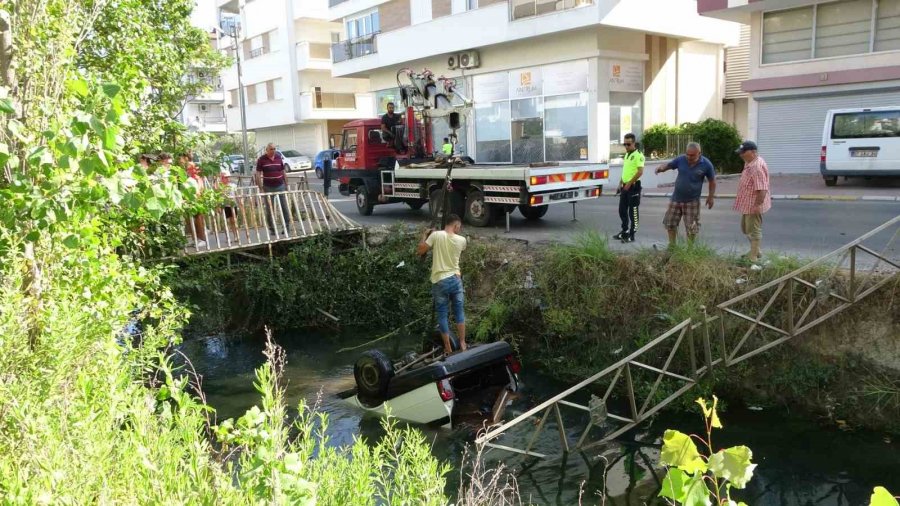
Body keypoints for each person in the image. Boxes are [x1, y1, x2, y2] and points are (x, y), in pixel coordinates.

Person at [416, 214, 468, 355]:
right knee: (459, 312)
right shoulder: (462, 240)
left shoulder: (436, 235)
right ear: (456, 225)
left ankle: (448, 347)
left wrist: (425, 236)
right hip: (456, 279)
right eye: (459, 227)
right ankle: (463, 342)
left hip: (440, 281)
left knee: (442, 315)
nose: (459, 229)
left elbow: (420, 250)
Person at [655, 142, 716, 248]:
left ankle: (690, 249)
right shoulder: (681, 159)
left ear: (699, 153)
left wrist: (710, 197)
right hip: (676, 199)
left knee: (691, 227)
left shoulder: (706, 164)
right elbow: (669, 165)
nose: (689, 157)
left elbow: (712, 181)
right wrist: (660, 168)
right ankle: (672, 246)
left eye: (692, 155)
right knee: (670, 223)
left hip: (692, 201)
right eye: (687, 154)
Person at [734, 141, 771, 262]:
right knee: (745, 228)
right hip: (747, 204)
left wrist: (757, 205)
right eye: (741, 153)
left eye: (744, 153)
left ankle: (753, 257)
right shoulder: (750, 162)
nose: (741, 155)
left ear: (753, 152)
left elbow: (762, 189)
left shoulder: (756, 167)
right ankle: (756, 251)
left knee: (753, 230)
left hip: (753, 205)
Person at [613, 133, 644, 243]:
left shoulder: (638, 155)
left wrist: (630, 183)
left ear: (634, 143)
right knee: (622, 210)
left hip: (633, 187)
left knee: (633, 212)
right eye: (624, 144)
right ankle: (624, 231)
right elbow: (625, 171)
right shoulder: (627, 155)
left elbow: (640, 172)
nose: (626, 146)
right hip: (625, 186)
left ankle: (632, 235)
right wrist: (620, 184)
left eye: (628, 144)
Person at [255, 143, 291, 235]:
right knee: (269, 210)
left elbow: (283, 171)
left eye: (274, 149)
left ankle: (286, 228)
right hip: (268, 187)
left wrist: (286, 184)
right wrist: (260, 188)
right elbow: (258, 174)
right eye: (271, 149)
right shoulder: (261, 159)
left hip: (280, 186)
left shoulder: (279, 157)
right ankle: (272, 229)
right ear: (266, 150)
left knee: (284, 208)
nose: (273, 150)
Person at [179, 152, 207, 247]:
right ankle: (194, 238)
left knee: (197, 217)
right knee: (189, 219)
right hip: (188, 193)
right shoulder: (182, 168)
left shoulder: (191, 166)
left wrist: (198, 191)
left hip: (194, 192)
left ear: (186, 158)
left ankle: (201, 239)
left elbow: (197, 178)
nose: (180, 160)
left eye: (181, 158)